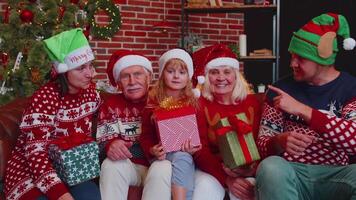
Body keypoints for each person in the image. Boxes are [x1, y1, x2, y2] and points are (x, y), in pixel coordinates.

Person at [256, 13, 356, 200]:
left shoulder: (350, 88)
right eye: (292, 56)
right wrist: (280, 141)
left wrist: (303, 110)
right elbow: (262, 145)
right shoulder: (281, 89)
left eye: (300, 58)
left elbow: (354, 140)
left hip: (336, 176)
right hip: (291, 174)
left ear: (322, 59)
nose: (292, 64)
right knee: (270, 167)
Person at [4, 28, 101, 200]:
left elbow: (107, 118)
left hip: (71, 168)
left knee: (91, 195)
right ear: (64, 71)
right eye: (81, 68)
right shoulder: (45, 98)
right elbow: (35, 152)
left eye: (90, 66)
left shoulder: (91, 94)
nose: (90, 73)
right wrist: (60, 193)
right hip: (29, 171)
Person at [96, 49, 172, 200]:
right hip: (130, 166)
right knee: (111, 164)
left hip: (157, 163)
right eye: (125, 76)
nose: (132, 81)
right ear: (118, 83)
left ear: (149, 77)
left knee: (164, 166)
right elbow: (103, 142)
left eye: (138, 74)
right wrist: (111, 144)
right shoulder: (110, 105)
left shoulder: (163, 100)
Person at [191, 44, 262, 200]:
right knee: (204, 187)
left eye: (227, 72)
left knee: (246, 188)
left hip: (248, 169)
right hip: (211, 168)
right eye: (214, 72)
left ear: (236, 75)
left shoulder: (252, 103)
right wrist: (227, 178)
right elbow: (200, 150)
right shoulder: (200, 104)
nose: (221, 78)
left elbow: (261, 143)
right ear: (207, 77)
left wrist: (251, 170)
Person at [140, 48, 202, 200]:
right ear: (162, 74)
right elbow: (145, 135)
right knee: (177, 161)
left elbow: (201, 136)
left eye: (182, 72)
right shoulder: (152, 103)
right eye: (170, 71)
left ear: (188, 77)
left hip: (185, 156)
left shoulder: (194, 104)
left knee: (183, 157)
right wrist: (152, 149)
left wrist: (195, 148)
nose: (176, 76)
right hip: (161, 156)